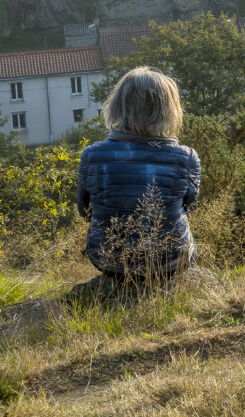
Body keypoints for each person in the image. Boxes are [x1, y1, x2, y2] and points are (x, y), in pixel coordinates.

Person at [76, 65, 204, 290]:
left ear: (118, 107)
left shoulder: (92, 155)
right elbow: (189, 207)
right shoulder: (186, 157)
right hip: (172, 261)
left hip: (108, 261)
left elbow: (84, 210)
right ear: (169, 110)